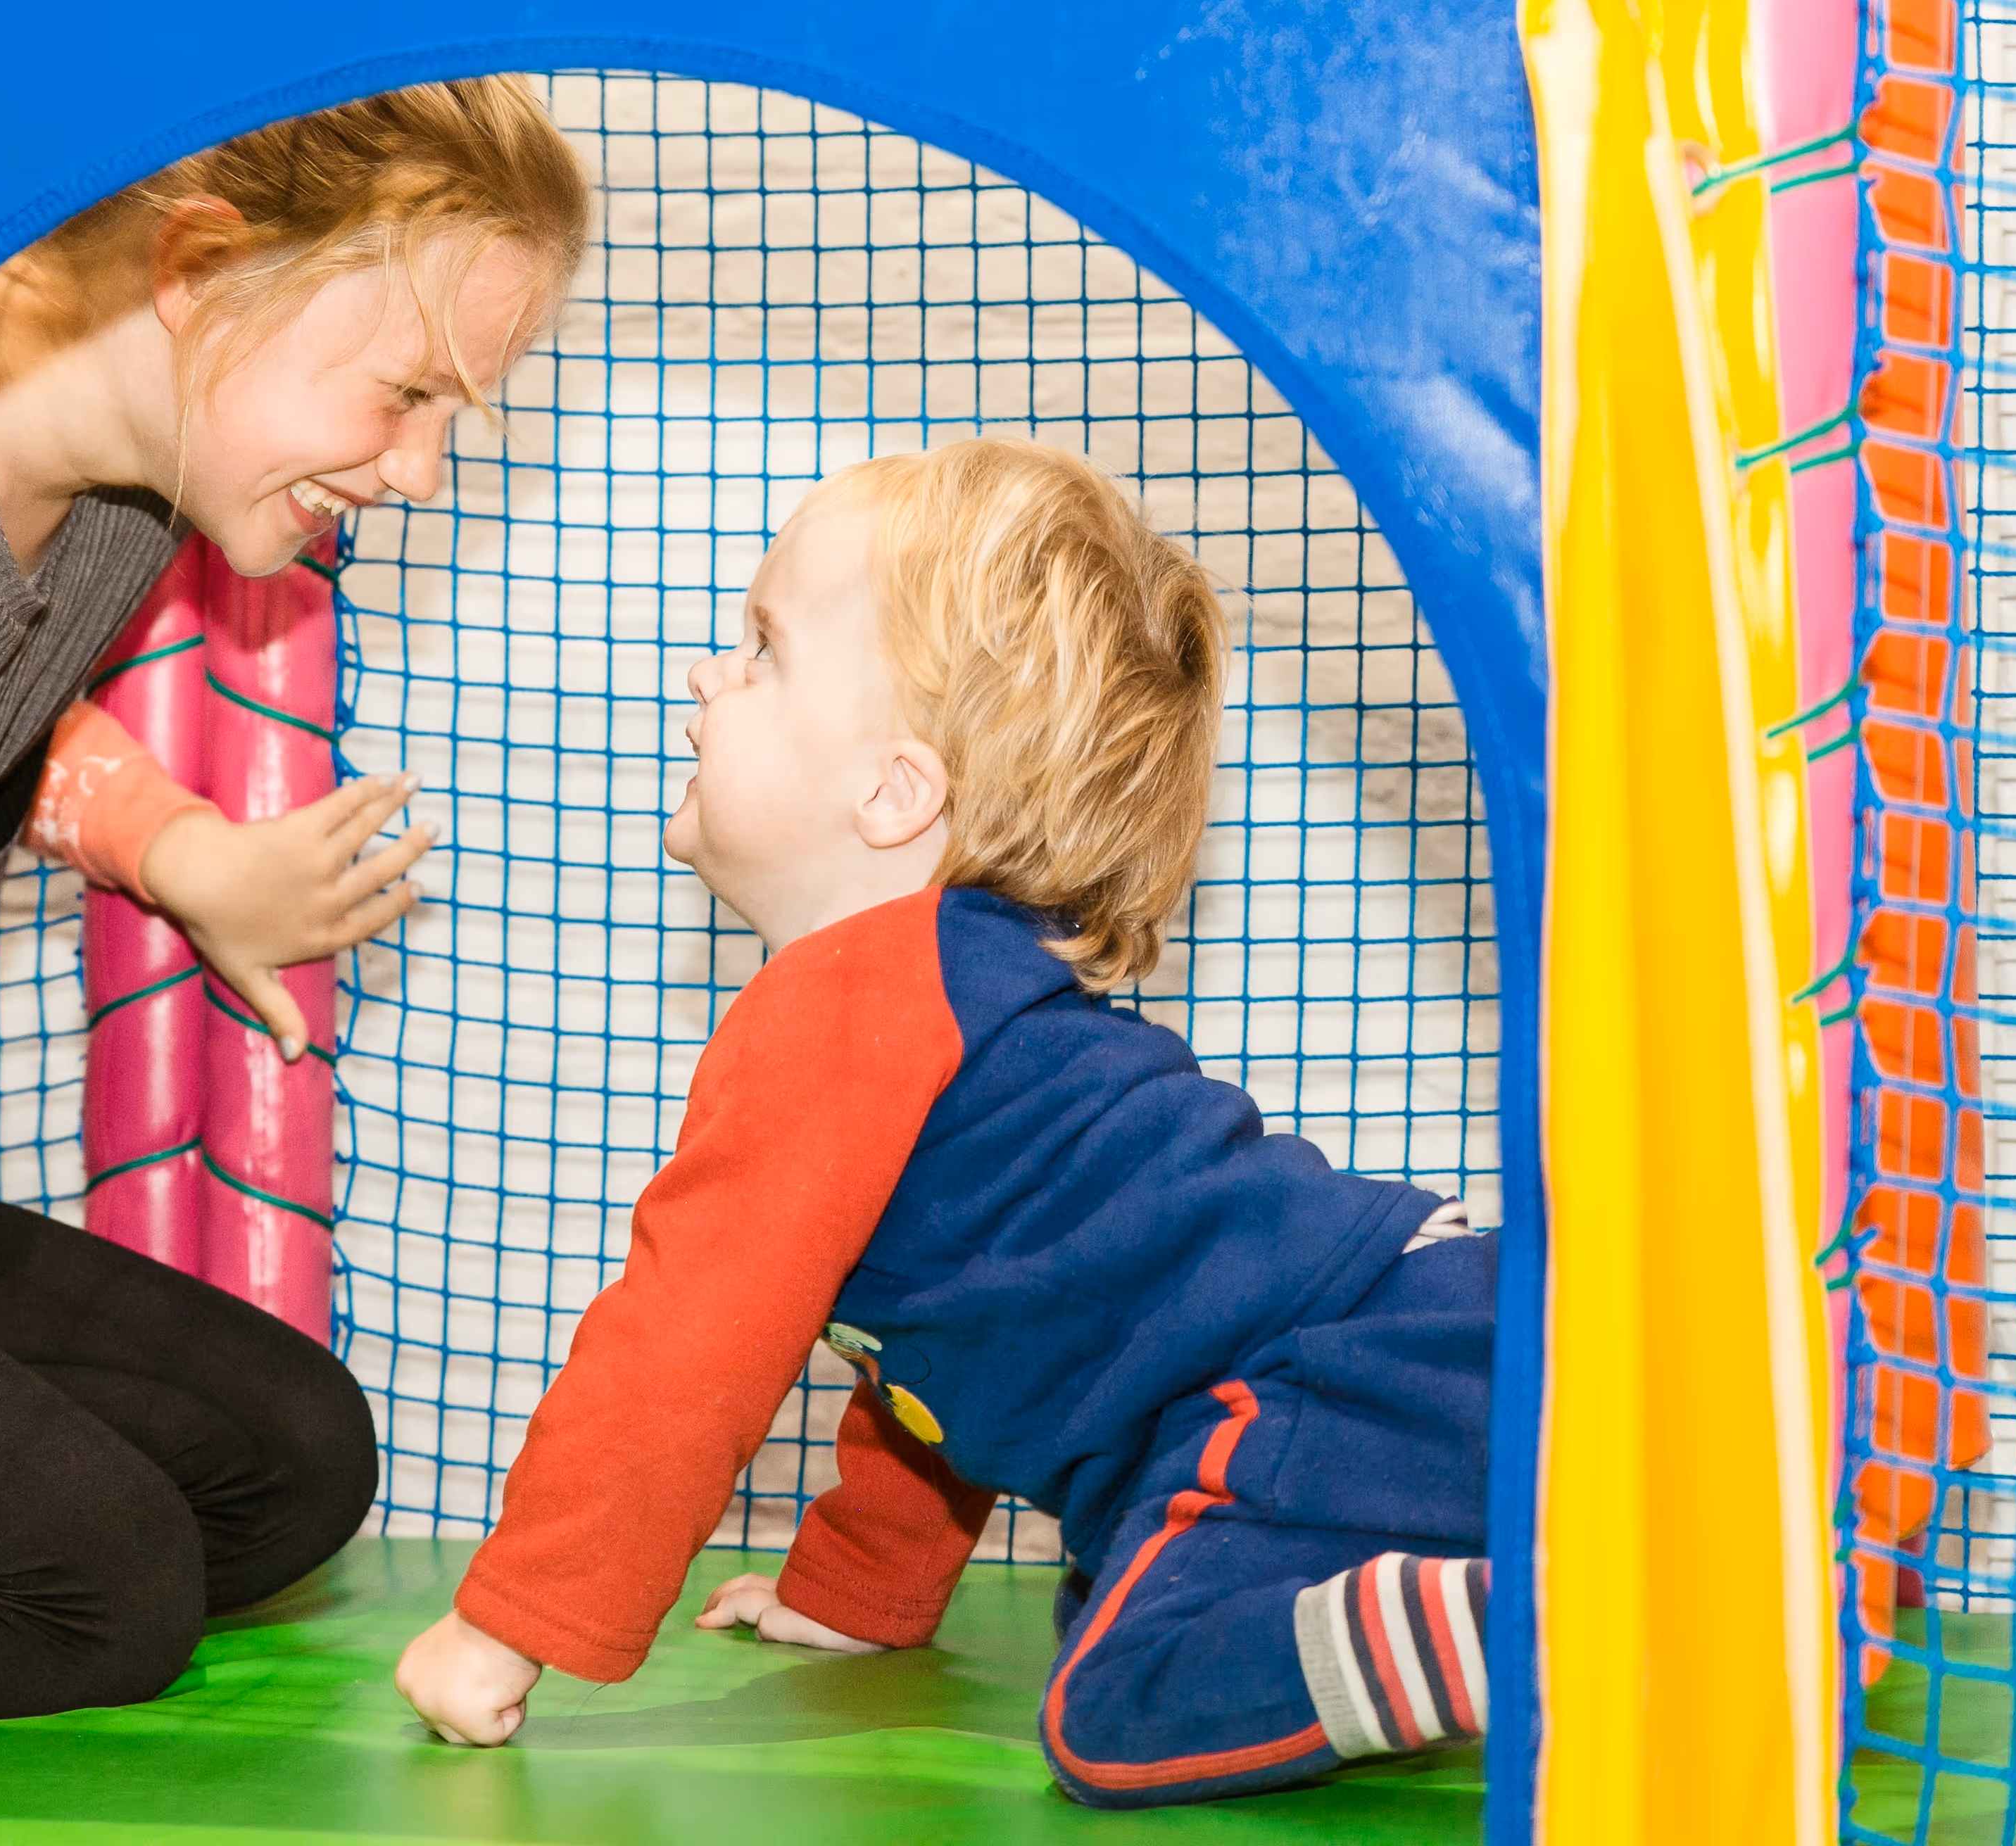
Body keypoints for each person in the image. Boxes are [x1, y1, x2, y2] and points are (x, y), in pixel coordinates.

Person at [0, 78, 590, 1724]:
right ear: (198, 268)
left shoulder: (112, 533)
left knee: (291, 1460)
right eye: (404, 395)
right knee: (106, 1591)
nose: (425, 471)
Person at [391, 438, 1494, 1808]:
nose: (707, 678)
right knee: (1130, 1606)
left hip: (1343, 1383)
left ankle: (1513, 1629)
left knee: (1124, 1703)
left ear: (896, 791)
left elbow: (690, 1345)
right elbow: (945, 1342)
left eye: (763, 649)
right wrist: (858, 1592)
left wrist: (510, 1627)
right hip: (1428, 1348)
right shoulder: (949, 997)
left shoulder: (845, 1010)